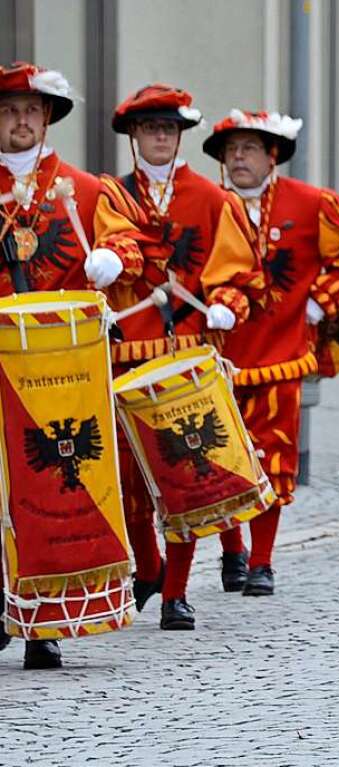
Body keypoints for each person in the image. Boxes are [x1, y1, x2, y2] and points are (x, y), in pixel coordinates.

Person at [98, 84, 265, 631]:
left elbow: (243, 275)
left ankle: (175, 592)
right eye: (150, 130)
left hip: (188, 353)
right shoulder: (112, 197)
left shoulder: (216, 200)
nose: (159, 138)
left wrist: (226, 306)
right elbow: (105, 254)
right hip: (127, 353)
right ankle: (148, 567)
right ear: (134, 137)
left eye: (168, 129)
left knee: (186, 473)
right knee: (127, 478)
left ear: (180, 135)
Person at [202, 109, 339, 596]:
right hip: (219, 356)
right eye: (231, 151)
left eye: (250, 149)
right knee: (221, 459)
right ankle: (231, 552)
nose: (239, 159)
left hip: (283, 353)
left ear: (272, 156)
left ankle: (262, 561)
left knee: (272, 460)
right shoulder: (211, 205)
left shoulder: (310, 203)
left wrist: (327, 296)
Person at [0, 62, 140, 670]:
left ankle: (43, 627)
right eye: (8, 111)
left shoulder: (85, 189)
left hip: (63, 375)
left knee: (50, 491)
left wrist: (112, 255)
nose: (21, 120)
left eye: (32, 110)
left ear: (49, 118)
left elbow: (131, 246)